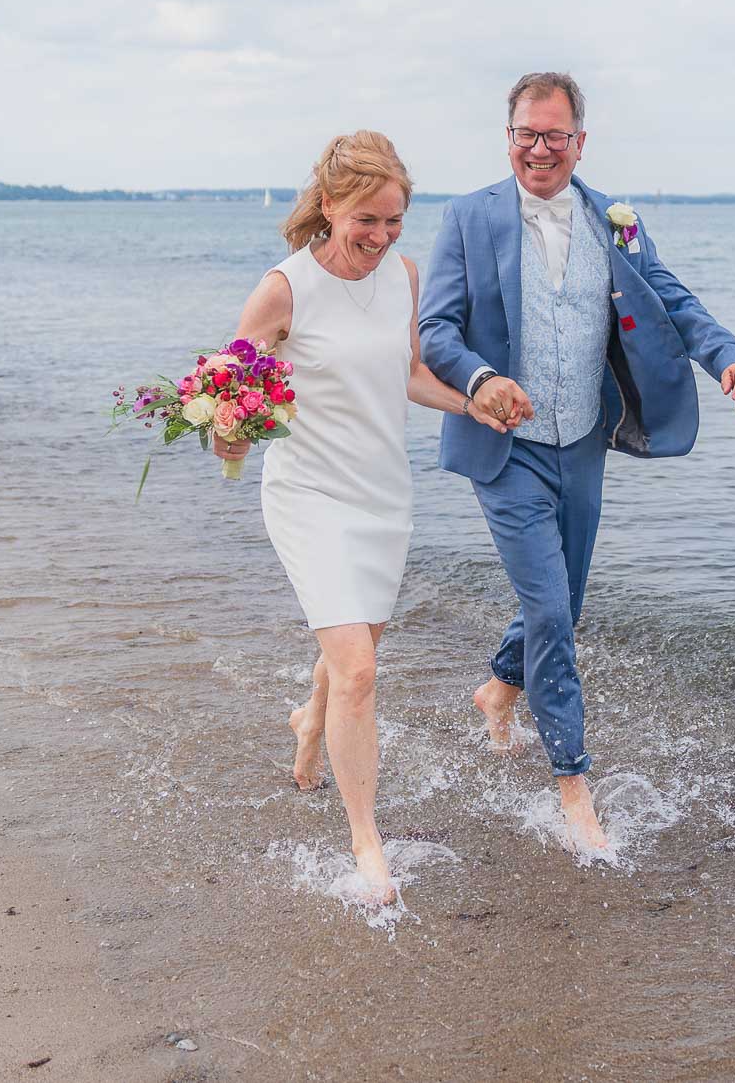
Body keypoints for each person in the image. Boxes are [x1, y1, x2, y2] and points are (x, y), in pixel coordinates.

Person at [419, 72, 735, 851]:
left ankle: (498, 688)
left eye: (554, 135)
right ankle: (573, 783)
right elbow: (436, 329)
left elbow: (672, 301)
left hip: (581, 442)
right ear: (508, 136)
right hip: (505, 448)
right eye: (526, 134)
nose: (539, 149)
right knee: (550, 610)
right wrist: (480, 378)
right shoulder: (468, 216)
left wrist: (728, 356)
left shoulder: (615, 222)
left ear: (580, 141)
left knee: (563, 602)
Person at [215, 131, 516, 902]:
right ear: (328, 205)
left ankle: (309, 723)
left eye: (394, 221)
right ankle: (365, 839)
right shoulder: (283, 289)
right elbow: (230, 400)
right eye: (366, 220)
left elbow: (411, 371)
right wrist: (226, 430)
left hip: (384, 494)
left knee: (352, 650)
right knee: (359, 668)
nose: (381, 237)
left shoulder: (403, 276)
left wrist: (474, 403)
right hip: (309, 495)